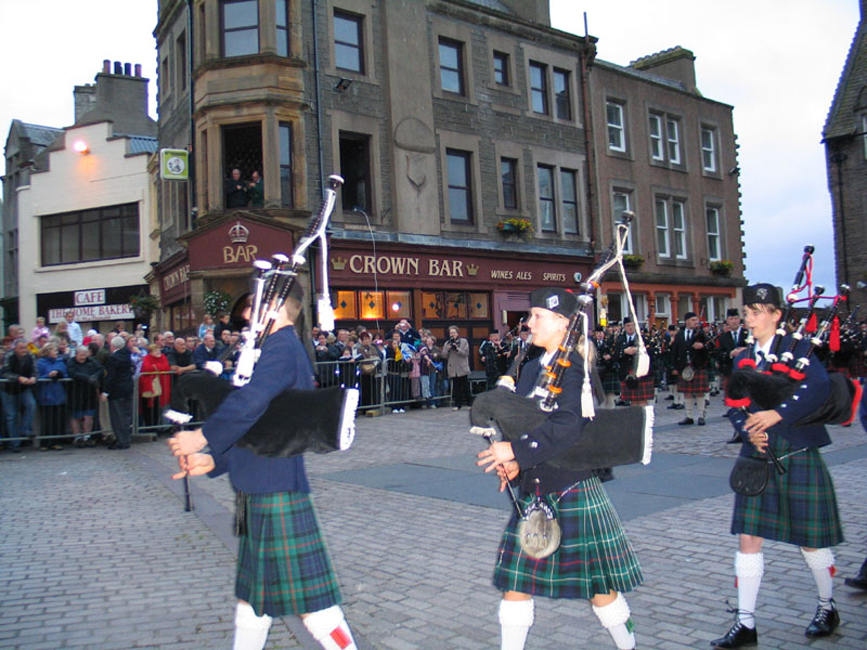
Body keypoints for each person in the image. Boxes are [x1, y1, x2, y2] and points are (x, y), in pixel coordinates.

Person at [168, 283, 358, 650]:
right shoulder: (272, 349)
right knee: (253, 602)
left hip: (276, 488)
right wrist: (212, 460)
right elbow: (259, 424)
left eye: (253, 306)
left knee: (314, 609)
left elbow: (251, 405)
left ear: (274, 306)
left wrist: (201, 437)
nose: (245, 315)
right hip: (261, 486)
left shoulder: (283, 348)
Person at [477, 288, 642, 650]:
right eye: (531, 315)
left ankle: (628, 646)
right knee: (515, 585)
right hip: (535, 487)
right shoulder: (532, 367)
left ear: (562, 323)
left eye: (538, 316)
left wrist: (516, 451)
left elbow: (569, 425)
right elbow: (520, 422)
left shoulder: (576, 369)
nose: (529, 322)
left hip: (571, 486)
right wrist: (513, 465)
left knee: (600, 590)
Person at [709, 284, 844, 648]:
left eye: (755, 312)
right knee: (748, 538)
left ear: (776, 315)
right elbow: (735, 404)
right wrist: (747, 431)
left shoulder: (798, 352)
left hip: (796, 451)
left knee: (811, 542)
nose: (749, 319)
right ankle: (746, 622)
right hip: (757, 455)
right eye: (747, 312)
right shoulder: (742, 359)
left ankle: (826, 605)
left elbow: (816, 389)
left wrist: (775, 415)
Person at [672, 312, 710, 426]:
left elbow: (710, 348)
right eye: (693, 320)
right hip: (684, 366)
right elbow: (674, 352)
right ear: (687, 321)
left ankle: (701, 416)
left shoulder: (701, 334)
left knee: (699, 392)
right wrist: (674, 367)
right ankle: (689, 416)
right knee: (687, 393)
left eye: (696, 320)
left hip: (698, 366)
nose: (696, 322)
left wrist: (703, 346)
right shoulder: (679, 335)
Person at [1, 339, 38, 452]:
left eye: (25, 347)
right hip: (8, 389)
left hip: (24, 388)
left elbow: (35, 370)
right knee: (11, 416)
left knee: (31, 404)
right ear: (15, 348)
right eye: (21, 348)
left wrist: (33, 378)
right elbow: (5, 372)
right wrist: (18, 378)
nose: (24, 350)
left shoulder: (30, 356)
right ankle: (15, 443)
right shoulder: (9, 356)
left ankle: (26, 429)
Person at [613, 317, 655, 407]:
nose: (630, 327)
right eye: (628, 325)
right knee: (633, 401)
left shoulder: (643, 338)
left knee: (643, 400)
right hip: (627, 373)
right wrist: (624, 352)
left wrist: (639, 350)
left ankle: (646, 420)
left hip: (643, 373)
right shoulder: (620, 340)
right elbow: (615, 356)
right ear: (624, 327)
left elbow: (652, 352)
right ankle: (636, 420)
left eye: (632, 325)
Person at [67, 345, 104, 447]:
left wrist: (95, 376)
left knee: (89, 415)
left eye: (84, 355)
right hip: (76, 392)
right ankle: (77, 437)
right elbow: (72, 373)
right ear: (76, 354)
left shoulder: (91, 361)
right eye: (80, 355)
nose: (82, 357)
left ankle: (87, 436)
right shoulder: (71, 362)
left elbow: (100, 369)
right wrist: (87, 378)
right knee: (76, 416)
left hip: (89, 392)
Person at [35, 342, 69, 451]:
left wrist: (60, 374)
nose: (56, 353)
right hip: (46, 394)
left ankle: (56, 442)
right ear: (48, 352)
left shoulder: (60, 361)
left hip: (59, 394)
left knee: (57, 420)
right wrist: (48, 376)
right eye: (54, 351)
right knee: (47, 420)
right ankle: (45, 443)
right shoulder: (40, 363)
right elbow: (37, 378)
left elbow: (66, 374)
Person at [103, 336, 134, 450]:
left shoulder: (113, 358)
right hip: (128, 388)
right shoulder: (127, 355)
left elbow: (111, 376)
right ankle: (126, 439)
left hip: (117, 390)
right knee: (126, 416)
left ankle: (121, 441)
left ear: (113, 346)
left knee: (117, 417)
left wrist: (106, 392)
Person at [140, 343, 172, 431]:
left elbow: (166, 367)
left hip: (161, 386)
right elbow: (146, 368)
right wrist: (158, 368)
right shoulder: (147, 358)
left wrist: (155, 367)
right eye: (155, 350)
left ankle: (156, 427)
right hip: (149, 387)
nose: (158, 352)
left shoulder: (163, 357)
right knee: (149, 408)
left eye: (159, 350)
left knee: (158, 408)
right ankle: (149, 427)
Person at [442, 325, 471, 411]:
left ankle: (469, 403)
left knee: (465, 386)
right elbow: (444, 355)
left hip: (462, 366)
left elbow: (466, 353)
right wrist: (448, 349)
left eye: (454, 333)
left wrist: (457, 349)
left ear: (457, 333)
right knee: (456, 387)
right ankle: (457, 404)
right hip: (453, 367)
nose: (452, 334)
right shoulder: (447, 343)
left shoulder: (463, 341)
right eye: (451, 333)